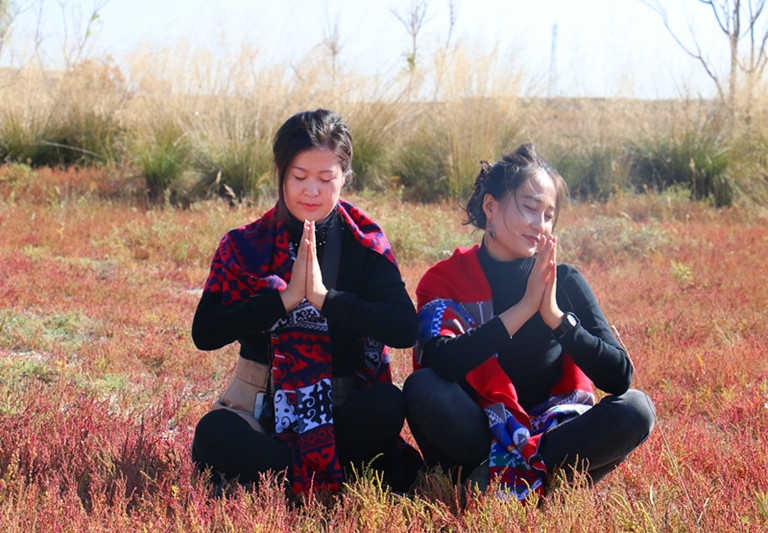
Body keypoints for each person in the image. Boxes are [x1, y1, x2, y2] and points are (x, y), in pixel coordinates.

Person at [404, 143, 655, 500]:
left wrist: (554, 316)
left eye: (549, 215)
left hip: (556, 431)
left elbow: (619, 377)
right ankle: (538, 481)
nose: (540, 225)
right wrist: (523, 308)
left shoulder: (564, 281)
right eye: (529, 208)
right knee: (422, 387)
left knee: (636, 408)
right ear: (490, 206)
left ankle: (501, 480)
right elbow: (441, 362)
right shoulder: (446, 279)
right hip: (476, 433)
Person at [191, 109, 420, 496]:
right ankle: (320, 477)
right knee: (214, 433)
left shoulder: (365, 244)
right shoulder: (244, 244)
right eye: (299, 177)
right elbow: (205, 332)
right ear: (281, 174)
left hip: (340, 409)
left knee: (386, 403)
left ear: (345, 178)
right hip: (258, 407)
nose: (311, 191)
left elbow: (404, 328)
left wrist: (325, 299)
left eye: (326, 178)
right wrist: (283, 301)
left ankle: (278, 480)